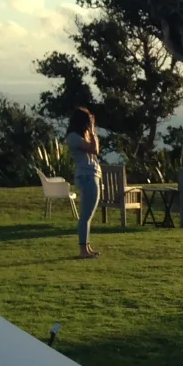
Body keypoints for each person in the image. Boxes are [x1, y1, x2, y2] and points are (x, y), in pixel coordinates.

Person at [66, 108, 101, 258]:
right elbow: (94, 149)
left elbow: (95, 149)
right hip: (87, 176)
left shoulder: (81, 136)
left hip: (91, 175)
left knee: (88, 215)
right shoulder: (73, 137)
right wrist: (92, 130)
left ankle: (86, 247)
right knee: (85, 215)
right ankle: (82, 250)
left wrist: (91, 132)